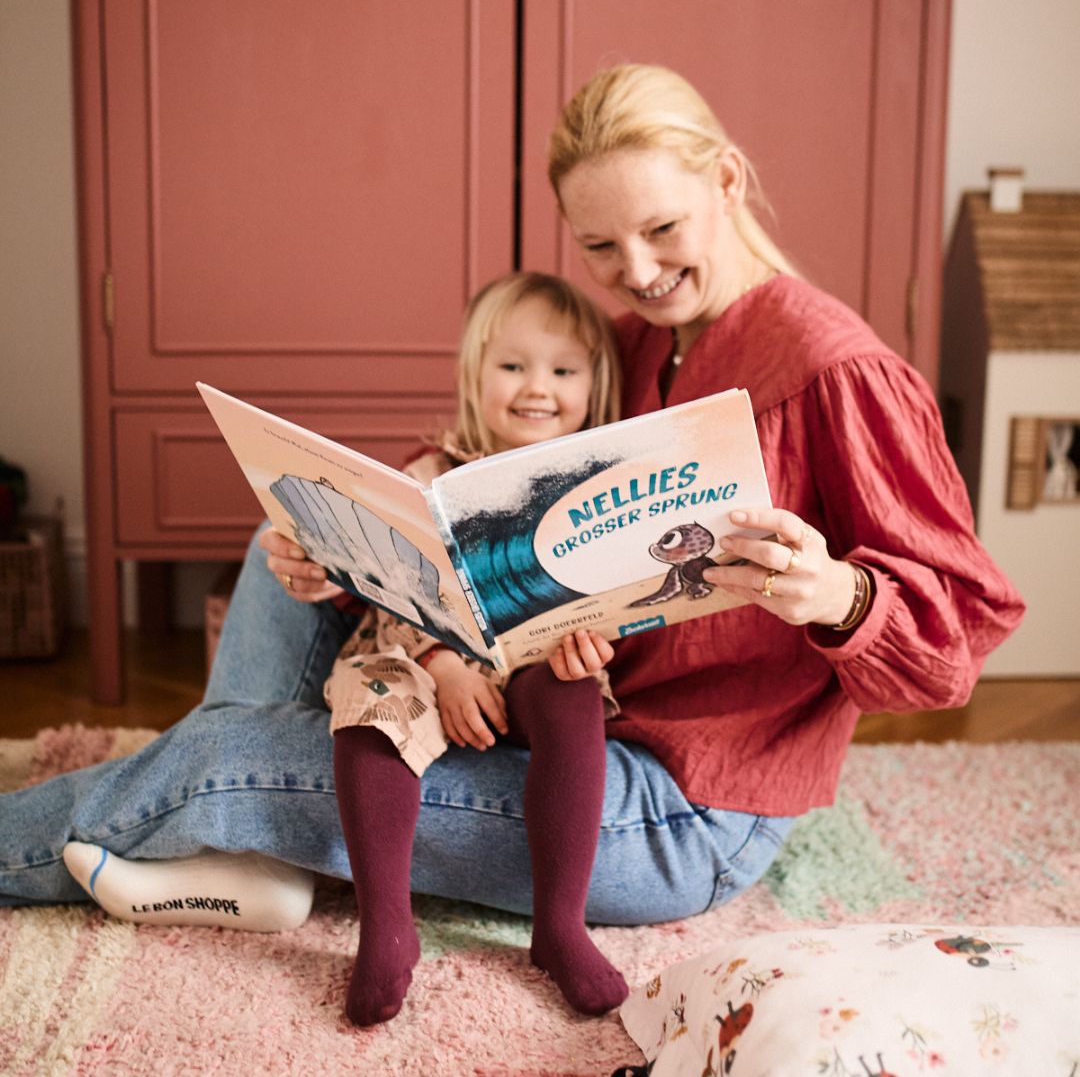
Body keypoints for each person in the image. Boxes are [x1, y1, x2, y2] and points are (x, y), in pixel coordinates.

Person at [1, 61, 1023, 1019]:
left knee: (227, 759)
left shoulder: (839, 373)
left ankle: (222, 832)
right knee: (290, 527)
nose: (637, 272)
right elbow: (487, 493)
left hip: (669, 801)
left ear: (726, 180)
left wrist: (838, 594)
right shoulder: (635, 339)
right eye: (600, 247)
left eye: (663, 228)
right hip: (534, 684)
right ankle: (259, 848)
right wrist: (355, 562)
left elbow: (957, 646)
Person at [323, 271, 628, 1023]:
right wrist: (442, 667)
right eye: (513, 366)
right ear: (475, 373)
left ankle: (559, 927)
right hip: (422, 655)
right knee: (371, 709)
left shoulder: (601, 488)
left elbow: (612, 603)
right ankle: (387, 930)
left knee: (573, 692)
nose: (538, 388)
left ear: (593, 384)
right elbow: (392, 586)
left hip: (534, 662)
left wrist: (590, 645)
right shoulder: (429, 475)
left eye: (563, 371)